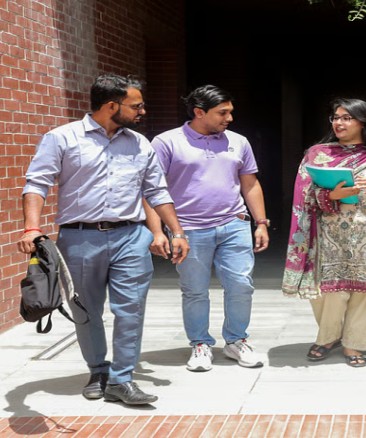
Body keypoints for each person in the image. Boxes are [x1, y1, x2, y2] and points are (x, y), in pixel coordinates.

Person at [17, 73, 190, 405]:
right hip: (79, 238)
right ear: (112, 105)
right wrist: (31, 227)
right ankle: (98, 370)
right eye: (136, 106)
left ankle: (122, 379)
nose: (142, 112)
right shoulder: (61, 138)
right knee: (86, 310)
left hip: (131, 236)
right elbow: (37, 183)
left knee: (131, 309)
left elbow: (157, 190)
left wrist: (176, 232)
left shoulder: (139, 143)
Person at [282, 98, 366, 367]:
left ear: (364, 122)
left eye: (346, 118)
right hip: (327, 240)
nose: (338, 123)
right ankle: (328, 337)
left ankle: (355, 344)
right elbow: (303, 194)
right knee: (327, 294)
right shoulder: (317, 155)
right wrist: (331, 195)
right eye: (335, 117)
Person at [145, 85, 269, 371]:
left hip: (234, 223)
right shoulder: (166, 142)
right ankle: (200, 344)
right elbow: (151, 190)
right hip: (188, 229)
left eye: (230, 112)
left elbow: (250, 184)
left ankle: (236, 340)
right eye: (222, 113)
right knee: (195, 290)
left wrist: (261, 222)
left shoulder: (238, 141)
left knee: (241, 285)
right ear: (199, 112)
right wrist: (158, 232)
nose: (230, 118)